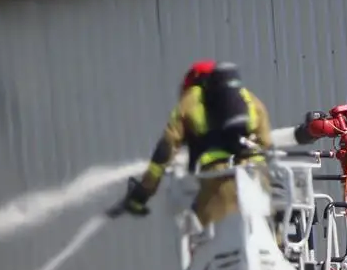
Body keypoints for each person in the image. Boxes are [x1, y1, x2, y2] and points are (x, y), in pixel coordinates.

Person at [117, 59, 273, 228]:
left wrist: (143, 192)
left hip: (219, 183)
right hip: (257, 179)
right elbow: (267, 144)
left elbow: (165, 149)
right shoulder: (250, 99)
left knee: (202, 234)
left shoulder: (190, 100)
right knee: (270, 234)